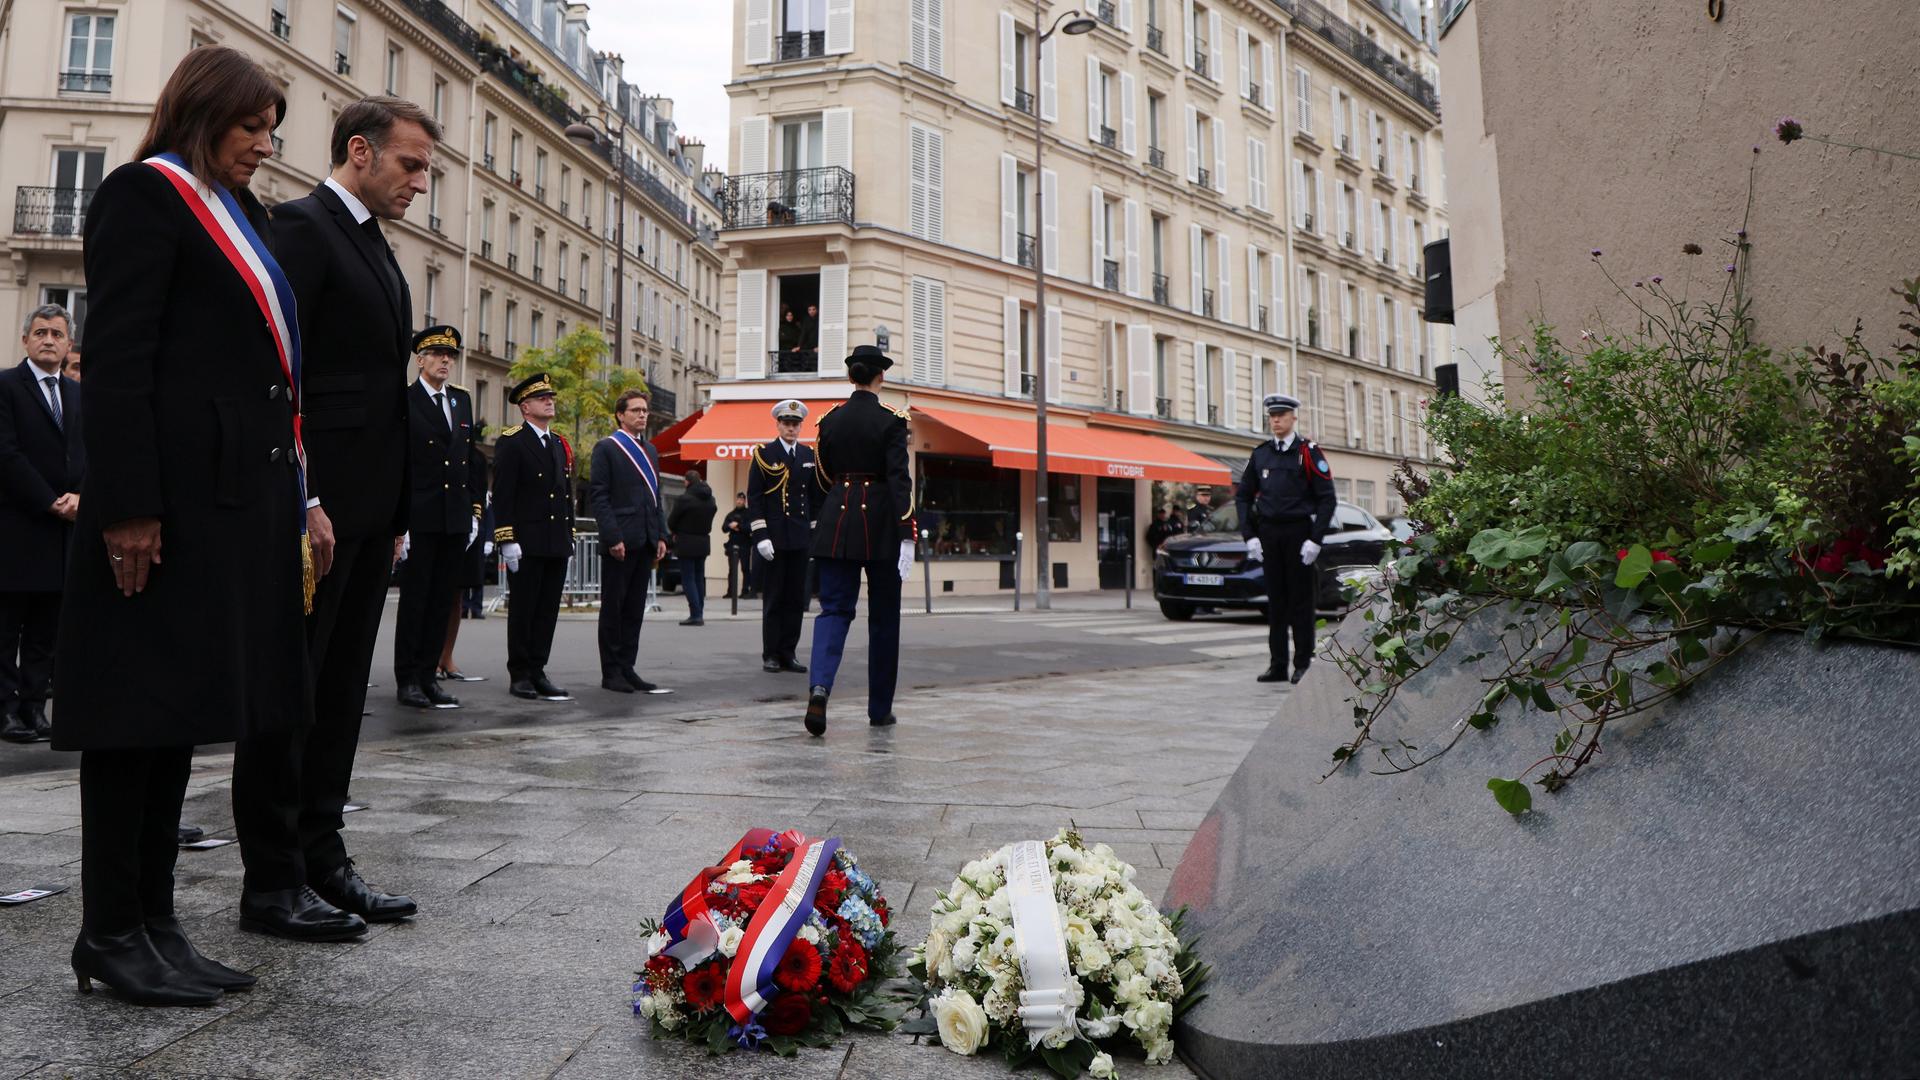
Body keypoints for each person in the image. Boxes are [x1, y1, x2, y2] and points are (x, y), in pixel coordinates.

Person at [55, 45, 299, 1004]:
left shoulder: (241, 214)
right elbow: (119, 362)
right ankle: (109, 932)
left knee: (173, 723)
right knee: (131, 723)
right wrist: (129, 507)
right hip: (155, 512)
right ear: (202, 116)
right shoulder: (142, 197)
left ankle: (156, 925)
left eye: (270, 130)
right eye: (249, 127)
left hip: (221, 509)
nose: (262, 145)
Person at [231, 95, 437, 942]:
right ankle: (271, 882)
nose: (421, 182)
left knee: (341, 692)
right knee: (294, 692)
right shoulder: (302, 228)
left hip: (366, 512)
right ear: (359, 150)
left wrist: (391, 512)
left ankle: (324, 859)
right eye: (410, 164)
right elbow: (281, 377)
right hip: (315, 512)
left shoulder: (375, 246)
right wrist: (307, 496)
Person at [802, 346, 916, 736]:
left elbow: (822, 476)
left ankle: (819, 688)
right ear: (879, 377)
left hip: (836, 520)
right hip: (881, 524)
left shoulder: (829, 420)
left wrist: (838, 501)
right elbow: (901, 481)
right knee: (883, 620)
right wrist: (907, 530)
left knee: (833, 611)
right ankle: (879, 709)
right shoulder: (892, 421)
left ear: (852, 377)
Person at [0, 305, 84, 744]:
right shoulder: (6, 386)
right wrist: (50, 501)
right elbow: (6, 454)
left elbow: (91, 453)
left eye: (56, 333)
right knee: (7, 627)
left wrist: (81, 495)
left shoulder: (77, 395)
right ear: (25, 341)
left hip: (62, 534)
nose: (48, 340)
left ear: (69, 343)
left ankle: (35, 707)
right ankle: (5, 710)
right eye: (40, 333)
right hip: (18, 528)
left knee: (44, 631)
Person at [392, 326, 479, 710]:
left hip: (453, 517)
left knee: (442, 599)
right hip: (421, 516)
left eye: (451, 354)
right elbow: (399, 463)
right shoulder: (406, 401)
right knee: (416, 601)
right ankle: (408, 677)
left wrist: (473, 511)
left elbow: (470, 460)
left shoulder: (460, 402)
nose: (446, 360)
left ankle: (429, 675)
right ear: (420, 359)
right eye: (438, 353)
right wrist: (402, 522)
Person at [1237, 393, 1337, 685]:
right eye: (1272, 416)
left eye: (1281, 415)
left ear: (1294, 417)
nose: (1276, 420)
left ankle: (1303, 663)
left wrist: (1315, 539)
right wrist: (1249, 536)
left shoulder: (1308, 452)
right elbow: (1243, 497)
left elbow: (1327, 499)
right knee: (1276, 603)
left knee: (1301, 604)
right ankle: (1278, 664)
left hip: (1298, 534)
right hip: (1269, 534)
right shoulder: (1262, 454)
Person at [495, 375, 576, 701]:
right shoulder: (512, 441)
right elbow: (503, 494)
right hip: (526, 541)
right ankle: (520, 673)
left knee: (547, 611)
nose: (549, 401)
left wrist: (569, 536)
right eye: (542, 398)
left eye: (550, 397)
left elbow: (564, 495)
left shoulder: (557, 443)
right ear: (525, 407)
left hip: (554, 539)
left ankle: (538, 669)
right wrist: (506, 538)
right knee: (525, 609)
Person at [586, 388, 670, 694]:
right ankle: (611, 672)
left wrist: (661, 534)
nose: (642, 415)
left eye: (645, 411)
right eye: (635, 410)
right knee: (614, 609)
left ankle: (627, 667)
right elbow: (599, 495)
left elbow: (655, 496)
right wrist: (612, 536)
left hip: (645, 537)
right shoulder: (607, 448)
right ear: (621, 414)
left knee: (634, 609)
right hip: (620, 540)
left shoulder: (650, 451)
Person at [746, 399, 818, 675]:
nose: (791, 428)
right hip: (774, 538)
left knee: (796, 599)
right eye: (787, 424)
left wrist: (814, 534)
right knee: (774, 598)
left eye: (795, 424)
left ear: (801, 427)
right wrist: (761, 535)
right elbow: (755, 498)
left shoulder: (808, 455)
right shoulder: (765, 454)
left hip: (799, 538)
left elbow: (813, 498)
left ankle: (789, 652)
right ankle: (771, 654)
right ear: (778, 425)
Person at [440, 438, 491, 677]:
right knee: (430, 598)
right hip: (437, 525)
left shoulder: (476, 457)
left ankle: (446, 656)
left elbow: (479, 493)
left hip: (466, 530)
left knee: (456, 598)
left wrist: (475, 519)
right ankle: (424, 658)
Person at [668, 468, 718, 626]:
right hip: (703, 540)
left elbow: (672, 521)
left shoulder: (684, 499)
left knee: (688, 579)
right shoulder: (711, 500)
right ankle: (699, 612)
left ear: (687, 482)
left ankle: (695, 614)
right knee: (699, 578)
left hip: (686, 541)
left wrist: (676, 531)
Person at [721, 492, 750, 599]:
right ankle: (731, 592)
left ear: (745, 501)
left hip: (745, 545)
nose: (739, 501)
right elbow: (724, 528)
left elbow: (749, 528)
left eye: (742, 500)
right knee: (732, 570)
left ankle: (745, 591)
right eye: (738, 499)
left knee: (745, 569)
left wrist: (738, 526)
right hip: (732, 545)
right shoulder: (731, 514)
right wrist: (731, 526)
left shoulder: (748, 514)